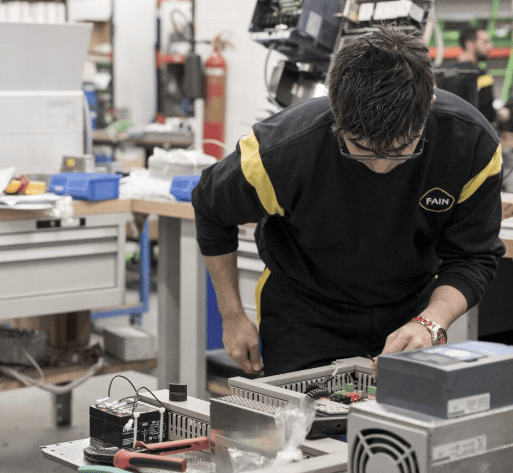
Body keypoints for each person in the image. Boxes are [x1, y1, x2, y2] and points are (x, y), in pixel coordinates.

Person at [192, 25, 504, 377]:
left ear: (428, 102)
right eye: (361, 150)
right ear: (334, 111)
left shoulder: (472, 145)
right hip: (304, 319)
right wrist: (232, 315)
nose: (381, 166)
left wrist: (431, 322)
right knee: (300, 429)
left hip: (409, 316)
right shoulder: (281, 151)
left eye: (402, 150)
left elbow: (473, 254)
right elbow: (210, 206)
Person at [445, 25, 510, 126]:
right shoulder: (483, 76)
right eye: (485, 42)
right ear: (470, 44)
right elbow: (488, 114)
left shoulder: (445, 73)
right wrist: (501, 115)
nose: (490, 46)